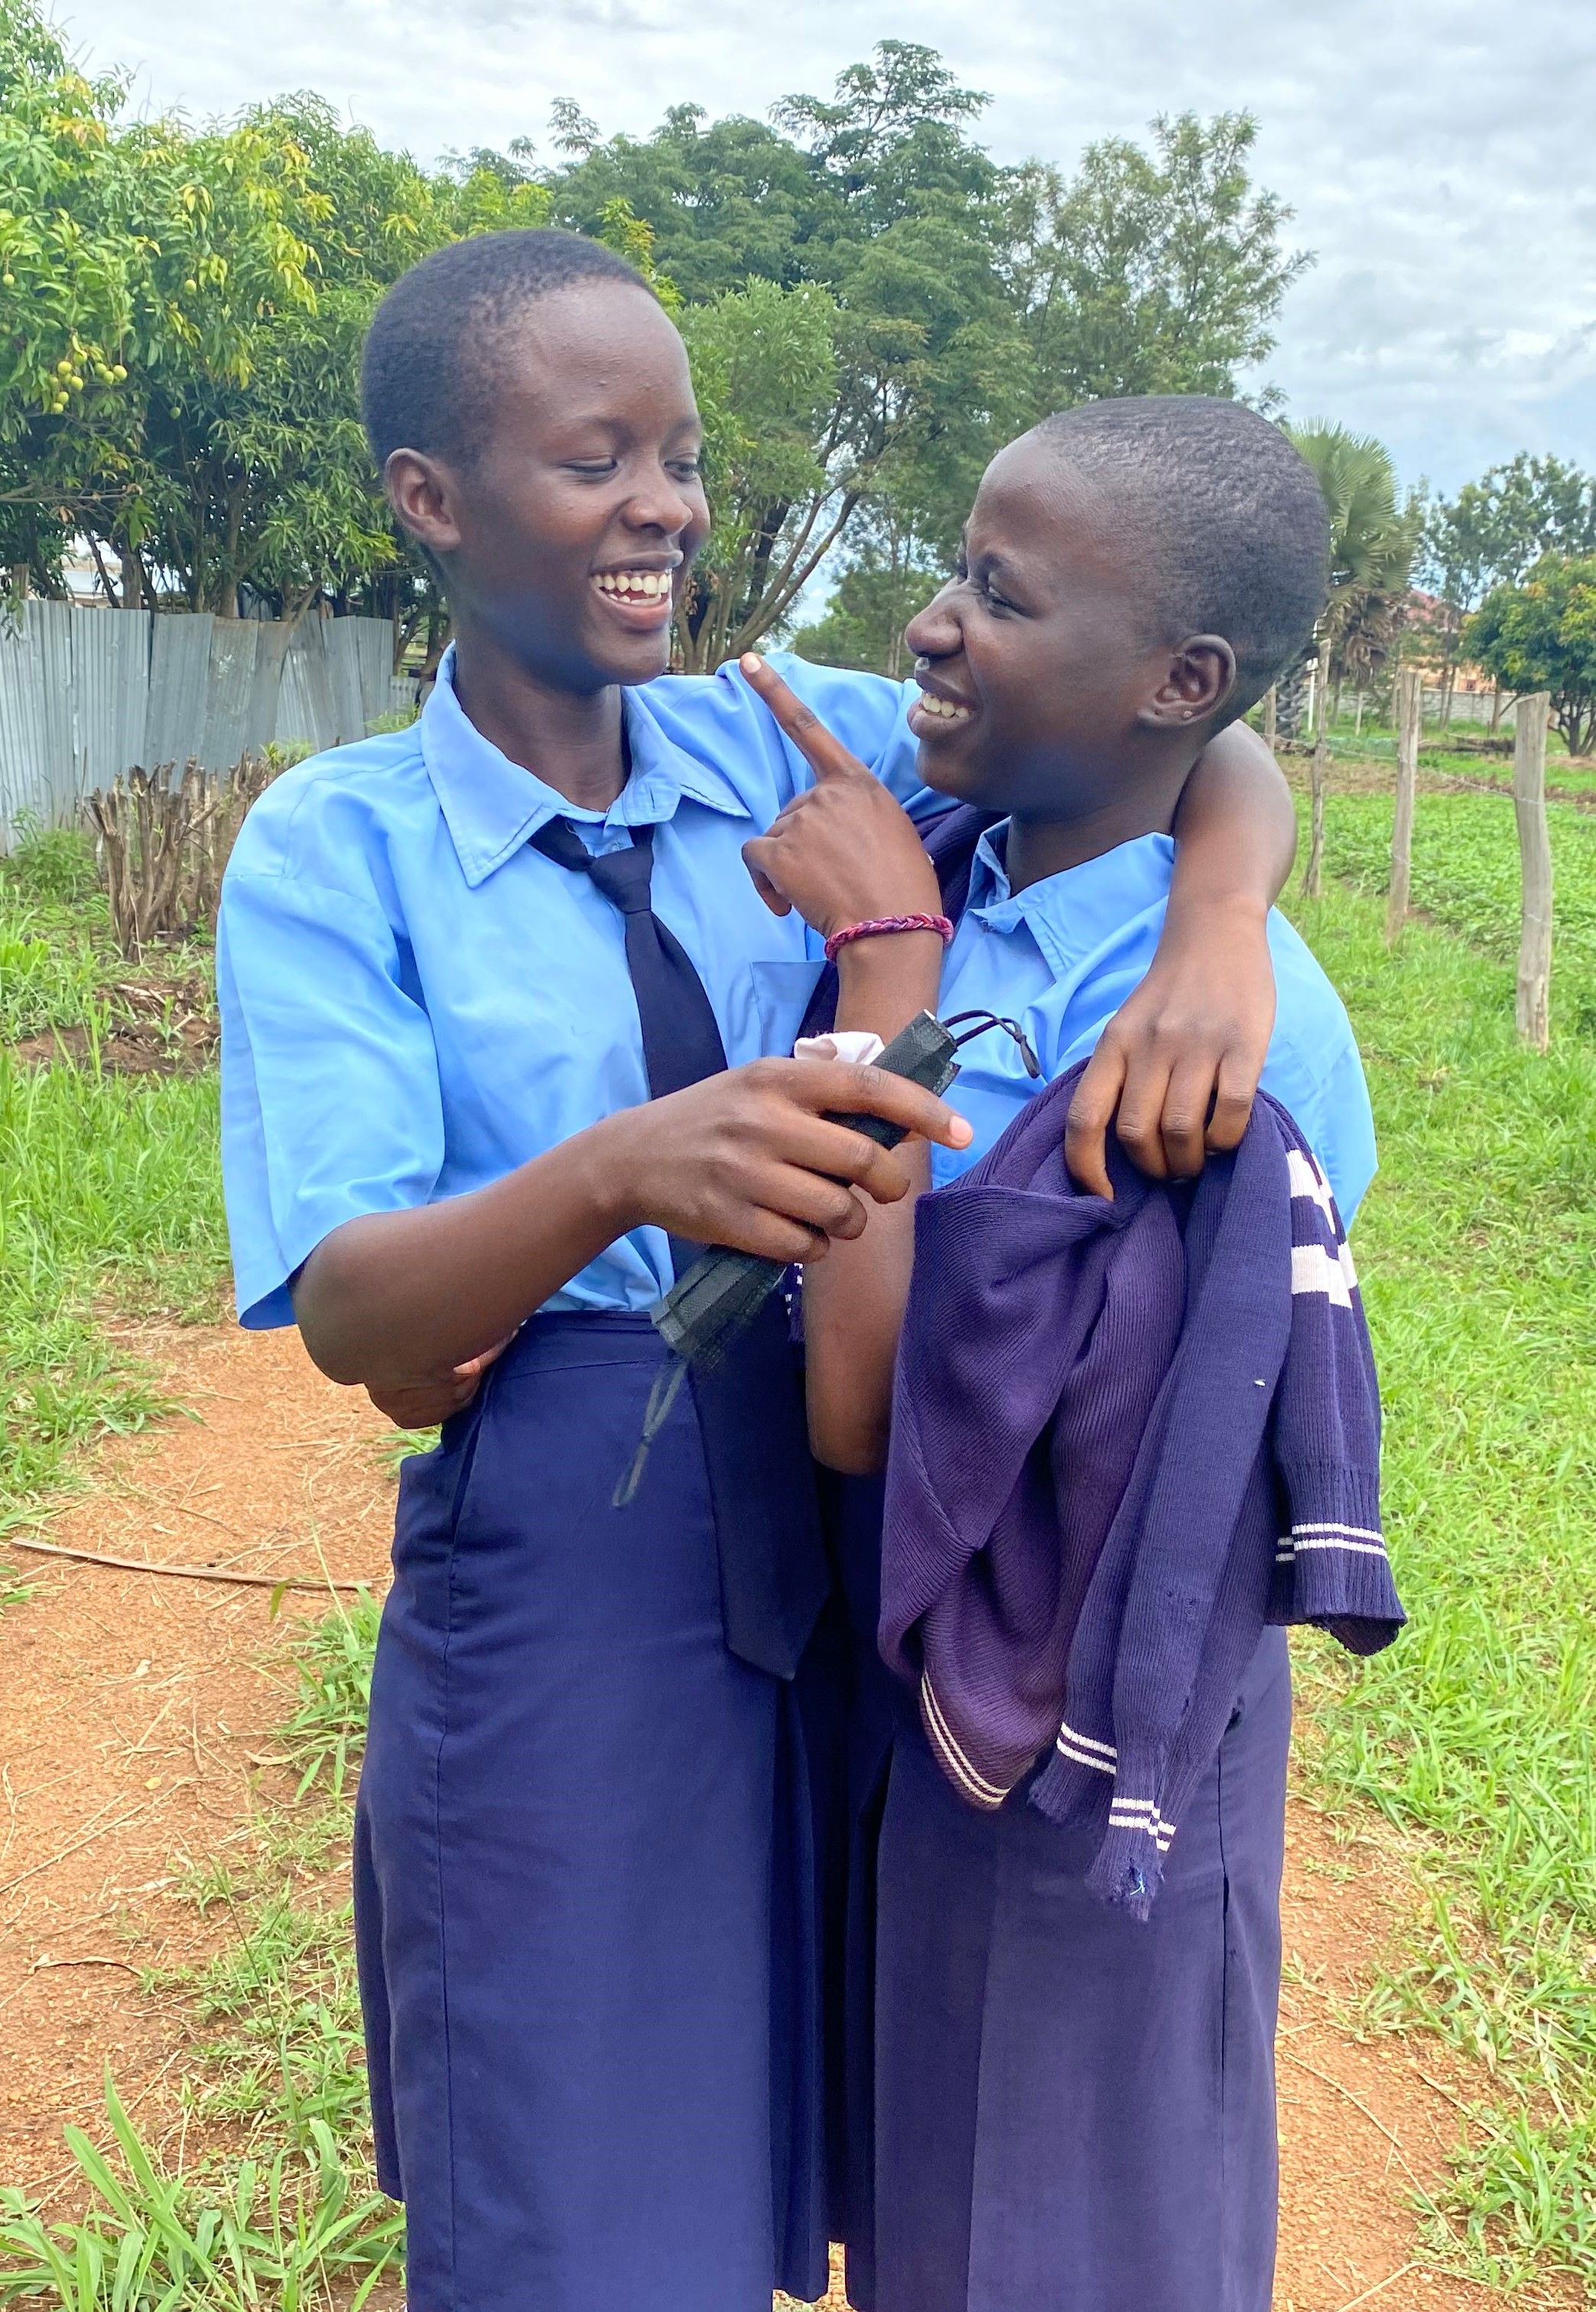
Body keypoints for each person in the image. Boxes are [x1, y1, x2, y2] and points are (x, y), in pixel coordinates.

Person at [216, 226, 1308, 2312]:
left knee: (813, 2124)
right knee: (584, 2167)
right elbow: (360, 1316)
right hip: (576, 1540)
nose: (668, 510)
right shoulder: (332, 845)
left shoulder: (766, 743)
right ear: (431, 503)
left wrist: (1223, 924)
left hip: (855, 1526)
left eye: (685, 456)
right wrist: (627, 1171)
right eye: (596, 458)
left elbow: (1180, 716)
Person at [737, 395, 1383, 2312]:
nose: (933, 624)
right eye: (953, 567)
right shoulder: (984, 838)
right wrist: (1219, 877)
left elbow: (870, 1414)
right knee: (930, 2180)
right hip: (915, 1696)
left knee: (1067, 2220)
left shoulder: (1210, 1059)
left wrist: (886, 979)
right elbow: (1225, 740)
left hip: (1083, 1716)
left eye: (998, 595)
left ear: (1166, 681)